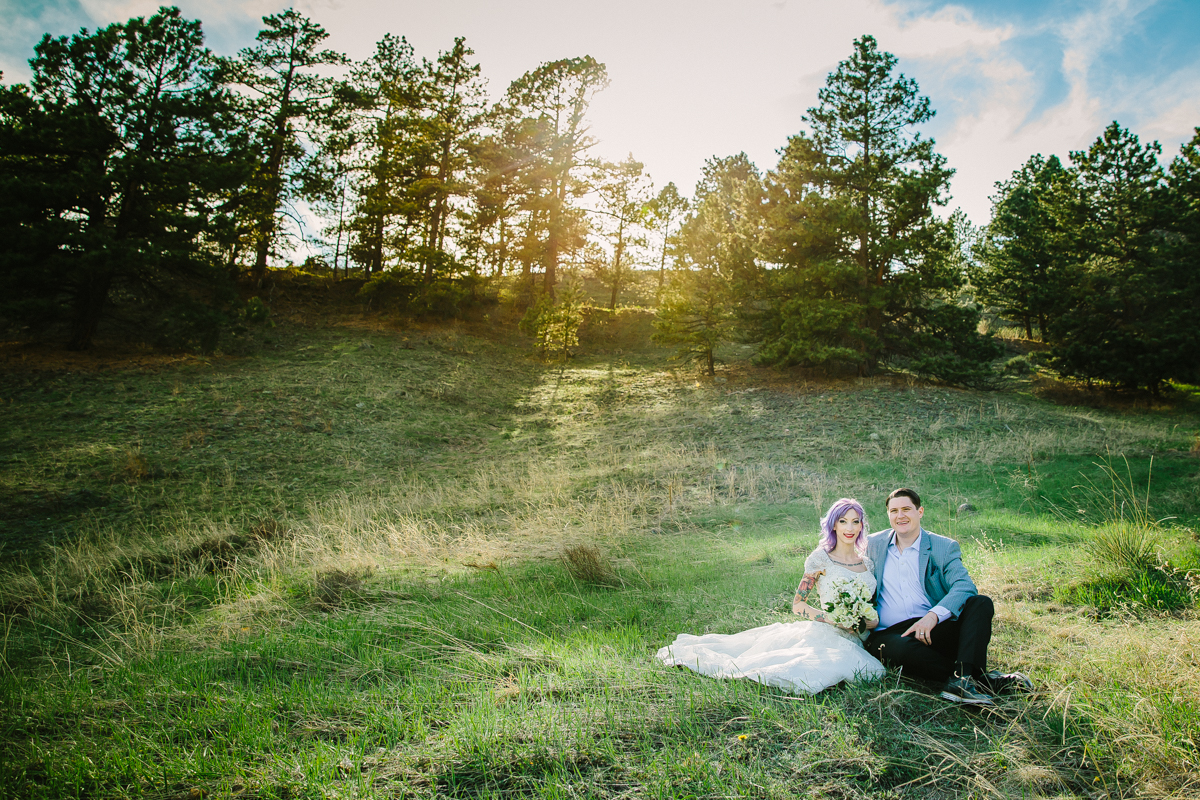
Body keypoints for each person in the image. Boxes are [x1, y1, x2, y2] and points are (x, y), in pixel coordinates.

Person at [656, 498, 885, 695]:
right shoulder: (821, 559)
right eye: (843, 521)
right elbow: (798, 606)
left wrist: (871, 621)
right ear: (833, 525)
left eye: (855, 521)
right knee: (811, 670)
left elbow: (869, 606)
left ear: (862, 525)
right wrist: (832, 619)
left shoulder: (867, 563)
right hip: (829, 632)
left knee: (870, 673)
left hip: (860, 637)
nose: (849, 527)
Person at [864, 487, 1032, 705]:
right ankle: (973, 678)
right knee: (902, 649)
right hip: (890, 634)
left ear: (920, 511)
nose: (900, 516)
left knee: (981, 603)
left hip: (932, 628)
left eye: (907, 509)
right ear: (888, 514)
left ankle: (963, 681)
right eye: (894, 511)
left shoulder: (943, 546)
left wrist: (933, 616)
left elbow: (964, 586)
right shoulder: (873, 545)